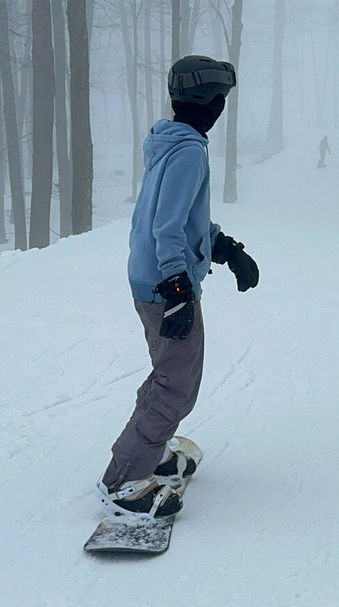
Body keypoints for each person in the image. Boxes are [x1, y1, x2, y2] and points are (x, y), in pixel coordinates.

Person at [97, 55, 259, 520]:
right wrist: (178, 287)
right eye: (222, 99)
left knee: (167, 375)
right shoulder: (190, 150)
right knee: (176, 386)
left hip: (148, 277)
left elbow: (180, 216)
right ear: (210, 101)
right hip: (165, 282)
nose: (222, 107)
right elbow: (168, 226)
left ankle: (151, 450)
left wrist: (223, 247)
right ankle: (125, 480)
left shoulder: (169, 141)